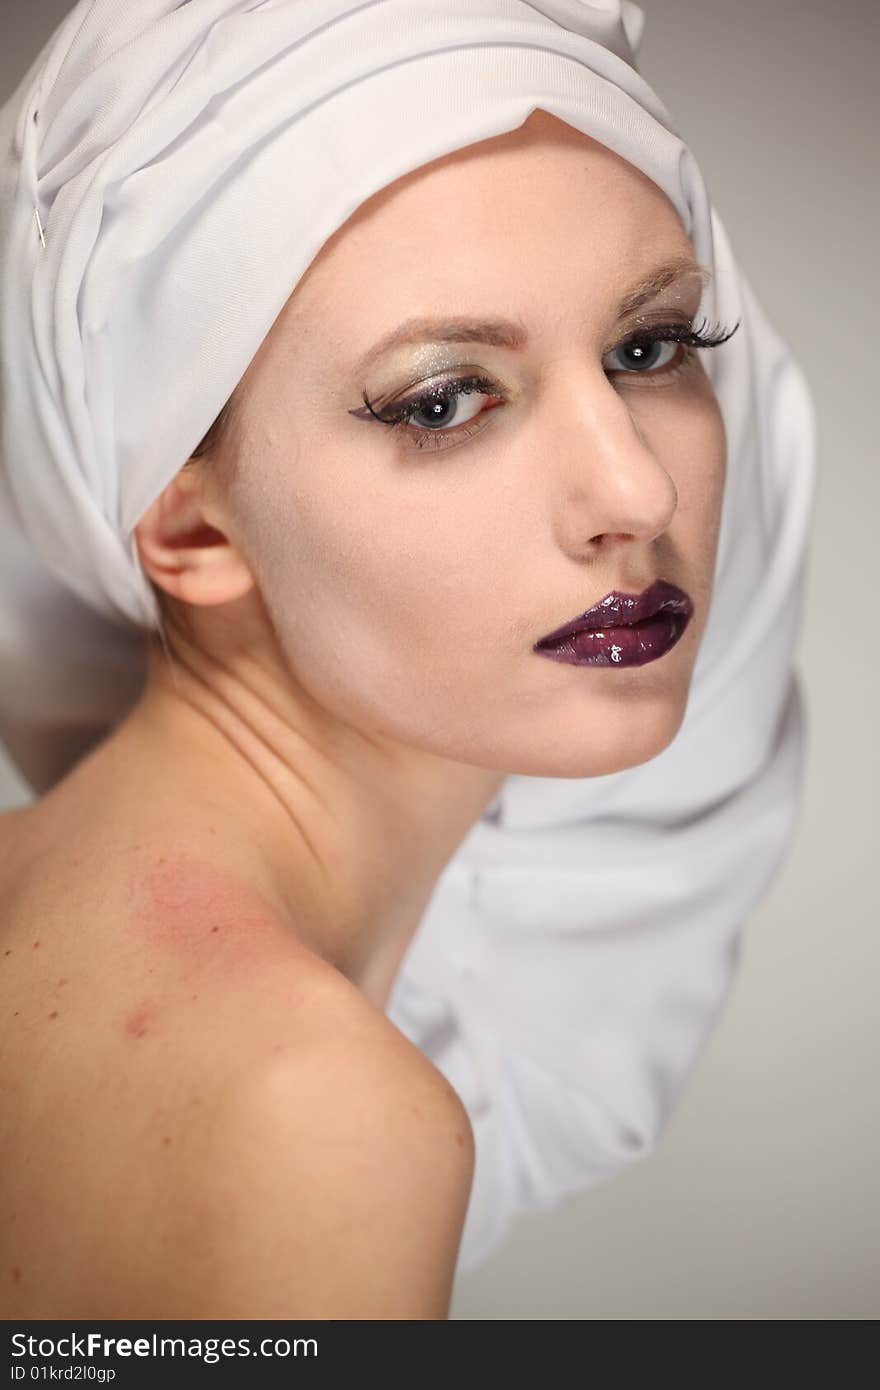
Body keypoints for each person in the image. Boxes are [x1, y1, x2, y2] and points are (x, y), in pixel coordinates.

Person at [0, 1, 816, 1318]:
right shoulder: (317, 1122)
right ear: (190, 523)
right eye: (443, 400)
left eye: (649, 346)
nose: (636, 491)